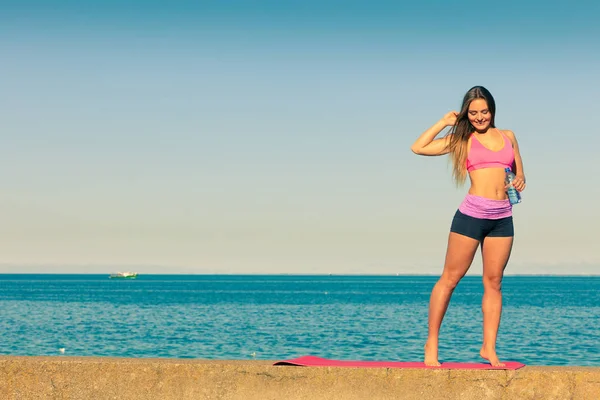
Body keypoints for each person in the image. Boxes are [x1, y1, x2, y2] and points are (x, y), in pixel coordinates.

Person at [410, 86, 526, 367]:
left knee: (494, 282)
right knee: (450, 278)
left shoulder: (508, 136)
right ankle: (432, 342)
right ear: (466, 114)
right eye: (473, 113)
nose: (479, 117)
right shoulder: (462, 139)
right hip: (472, 215)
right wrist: (443, 122)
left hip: (502, 216)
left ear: (492, 110)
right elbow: (418, 147)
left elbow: (519, 172)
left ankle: (489, 347)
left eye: (484, 111)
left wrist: (520, 180)